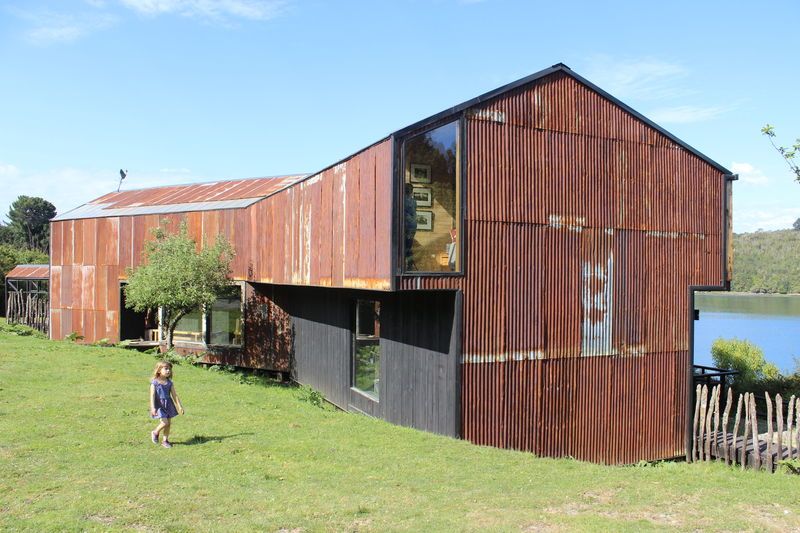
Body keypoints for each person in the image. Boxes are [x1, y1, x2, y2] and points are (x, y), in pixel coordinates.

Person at [149, 361, 184, 448]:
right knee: (164, 422)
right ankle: (155, 432)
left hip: (168, 404)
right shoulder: (155, 383)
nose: (168, 371)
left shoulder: (169, 383)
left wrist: (179, 406)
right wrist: (153, 408)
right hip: (159, 405)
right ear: (159, 370)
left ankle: (165, 440)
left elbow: (174, 395)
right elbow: (152, 396)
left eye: (169, 369)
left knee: (168, 423)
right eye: (166, 368)